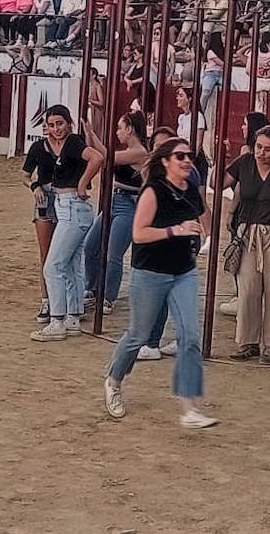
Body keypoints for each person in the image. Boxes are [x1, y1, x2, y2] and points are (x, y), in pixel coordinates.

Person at [102, 136, 218, 429]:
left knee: (190, 336)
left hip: (184, 271)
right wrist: (175, 231)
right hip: (151, 272)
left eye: (189, 155)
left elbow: (203, 217)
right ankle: (114, 380)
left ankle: (190, 406)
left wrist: (202, 236)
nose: (187, 160)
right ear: (166, 161)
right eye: (180, 156)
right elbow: (139, 234)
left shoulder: (191, 189)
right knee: (138, 335)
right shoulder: (153, 191)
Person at [28, 105, 104, 342]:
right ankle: (72, 316)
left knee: (53, 266)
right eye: (51, 125)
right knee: (70, 264)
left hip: (71, 205)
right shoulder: (69, 143)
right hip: (71, 206)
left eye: (60, 123)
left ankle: (58, 320)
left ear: (68, 123)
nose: (56, 129)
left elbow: (97, 158)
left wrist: (82, 185)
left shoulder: (72, 143)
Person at [224, 124, 270, 363]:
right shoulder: (245, 163)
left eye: (268, 149)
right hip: (248, 231)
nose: (262, 153)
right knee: (249, 287)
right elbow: (218, 183)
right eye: (258, 147)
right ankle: (248, 341)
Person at [82, 111, 150, 316]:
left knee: (114, 254)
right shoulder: (132, 151)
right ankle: (93, 288)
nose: (118, 132)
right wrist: (90, 135)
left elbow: (106, 157)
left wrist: (92, 134)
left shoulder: (139, 151)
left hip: (129, 204)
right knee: (91, 245)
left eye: (120, 127)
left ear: (130, 129)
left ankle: (108, 297)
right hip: (115, 200)